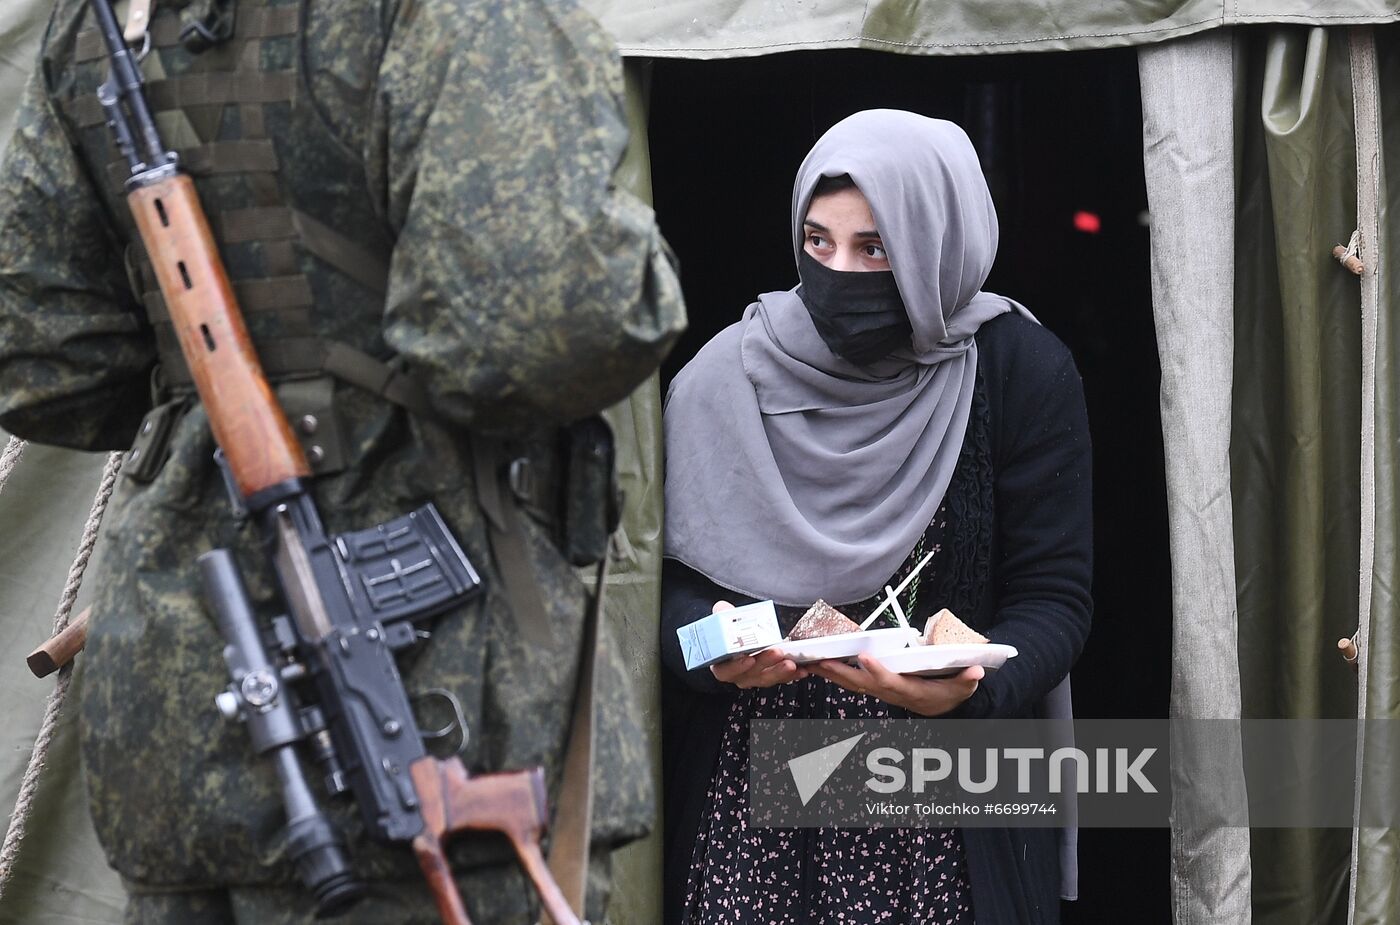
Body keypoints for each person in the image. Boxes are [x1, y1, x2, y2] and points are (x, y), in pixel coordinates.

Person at [0, 0, 684, 922]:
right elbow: (546, 317)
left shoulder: (104, 24)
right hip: (455, 693)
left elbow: (48, 357)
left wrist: (222, 384)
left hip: (178, 713)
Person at [659, 110, 1092, 924]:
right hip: (751, 812)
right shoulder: (724, 378)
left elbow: (1056, 599)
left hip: (943, 809)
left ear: (940, 246)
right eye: (818, 244)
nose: (839, 274)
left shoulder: (1017, 371)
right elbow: (657, 599)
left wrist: (968, 689)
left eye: (876, 249)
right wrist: (709, 651)